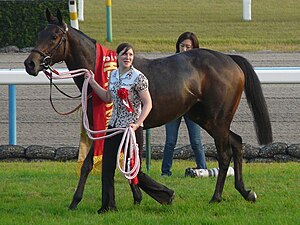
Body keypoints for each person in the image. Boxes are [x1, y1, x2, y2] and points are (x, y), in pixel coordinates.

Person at [86, 43, 175, 214]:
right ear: (118, 57)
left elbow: (148, 104)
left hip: (131, 130)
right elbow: (106, 97)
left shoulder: (138, 78)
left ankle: (165, 195)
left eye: (131, 55)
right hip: (114, 127)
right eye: (124, 54)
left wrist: (137, 123)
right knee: (107, 168)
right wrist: (92, 82)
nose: (127, 58)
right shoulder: (113, 75)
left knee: (134, 171)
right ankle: (108, 206)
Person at [161, 32, 207, 176]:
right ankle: (165, 172)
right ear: (178, 46)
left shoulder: (198, 66)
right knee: (170, 142)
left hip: (191, 107)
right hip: (173, 108)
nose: (185, 50)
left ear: (194, 48)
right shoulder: (170, 63)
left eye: (188, 47)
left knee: (196, 141)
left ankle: (203, 169)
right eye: (182, 46)